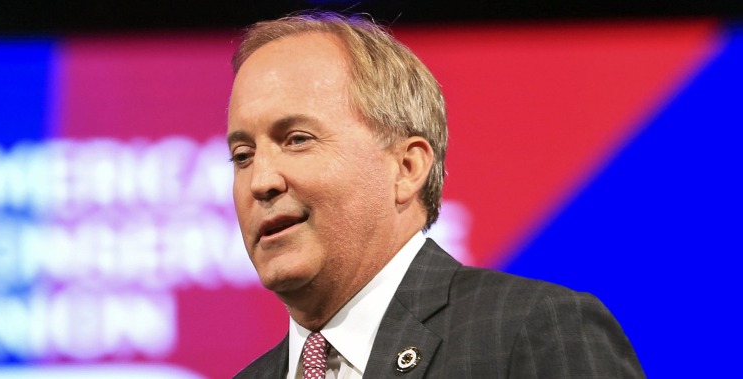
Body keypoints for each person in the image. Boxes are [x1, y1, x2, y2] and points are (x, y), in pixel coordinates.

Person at [227, 11, 644, 379]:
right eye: (242, 155)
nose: (261, 181)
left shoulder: (534, 331)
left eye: (298, 139)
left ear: (406, 168)